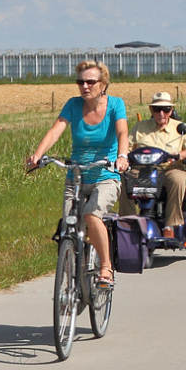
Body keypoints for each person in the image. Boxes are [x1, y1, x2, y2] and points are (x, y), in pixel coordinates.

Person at [27, 61, 128, 288]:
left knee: (92, 215)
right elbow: (56, 129)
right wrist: (37, 156)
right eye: (80, 81)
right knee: (69, 229)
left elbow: (122, 131)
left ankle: (105, 268)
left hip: (106, 175)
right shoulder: (73, 105)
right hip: (76, 176)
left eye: (90, 81)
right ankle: (74, 283)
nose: (84, 86)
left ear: (103, 84)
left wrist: (122, 156)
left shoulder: (115, 105)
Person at [126, 91, 186, 241]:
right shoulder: (140, 127)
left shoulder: (180, 128)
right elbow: (126, 148)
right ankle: (128, 222)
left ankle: (171, 225)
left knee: (178, 180)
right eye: (157, 109)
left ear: (171, 111)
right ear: (151, 110)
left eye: (166, 109)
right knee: (124, 179)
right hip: (142, 170)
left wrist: (179, 155)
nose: (161, 113)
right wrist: (123, 159)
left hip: (169, 169)